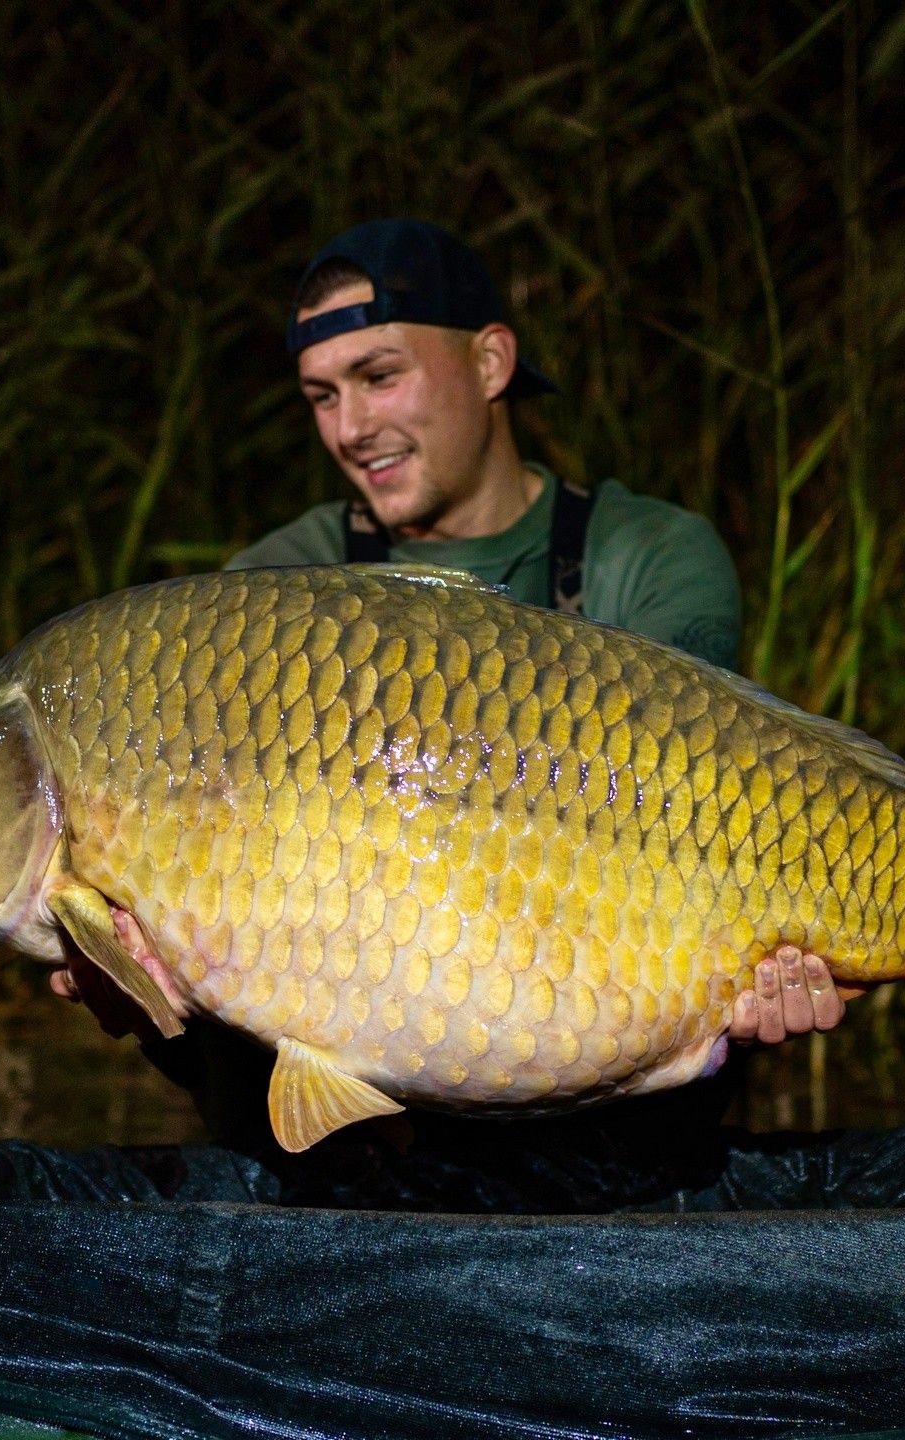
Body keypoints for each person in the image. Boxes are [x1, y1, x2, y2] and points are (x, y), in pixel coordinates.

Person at [58, 219, 850, 1143]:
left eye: (380, 376)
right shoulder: (276, 587)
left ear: (490, 362)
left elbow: (697, 797)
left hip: (610, 1086)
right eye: (321, 394)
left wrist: (761, 971)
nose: (351, 428)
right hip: (354, 1132)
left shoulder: (647, 555)